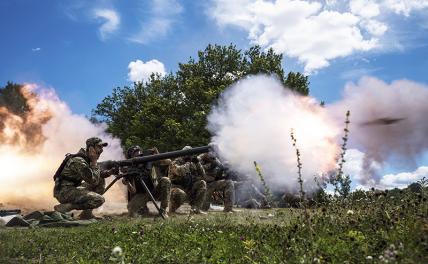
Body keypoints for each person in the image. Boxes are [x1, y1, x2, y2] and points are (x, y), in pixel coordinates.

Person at [53, 137, 117, 219]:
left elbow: (97, 175)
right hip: (63, 191)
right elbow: (92, 180)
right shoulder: (79, 161)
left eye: (102, 148)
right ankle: (67, 207)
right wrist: (94, 162)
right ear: (91, 148)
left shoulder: (86, 159)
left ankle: (86, 214)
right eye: (99, 147)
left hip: (73, 188)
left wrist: (109, 172)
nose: (101, 150)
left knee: (100, 180)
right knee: (99, 200)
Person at [121, 146, 171, 218]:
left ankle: (163, 211)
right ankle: (143, 208)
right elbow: (133, 191)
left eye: (140, 155)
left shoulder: (149, 161)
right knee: (132, 212)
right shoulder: (130, 169)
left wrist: (157, 154)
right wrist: (127, 183)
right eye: (136, 156)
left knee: (165, 180)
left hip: (154, 191)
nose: (139, 157)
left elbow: (168, 162)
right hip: (141, 195)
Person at [168, 146, 207, 214]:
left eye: (191, 154)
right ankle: (173, 209)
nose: (190, 156)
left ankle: (196, 209)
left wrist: (198, 163)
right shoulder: (175, 162)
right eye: (188, 154)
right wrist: (188, 163)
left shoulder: (193, 163)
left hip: (188, 188)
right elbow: (179, 171)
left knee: (202, 183)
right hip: (176, 188)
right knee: (180, 194)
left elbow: (203, 175)